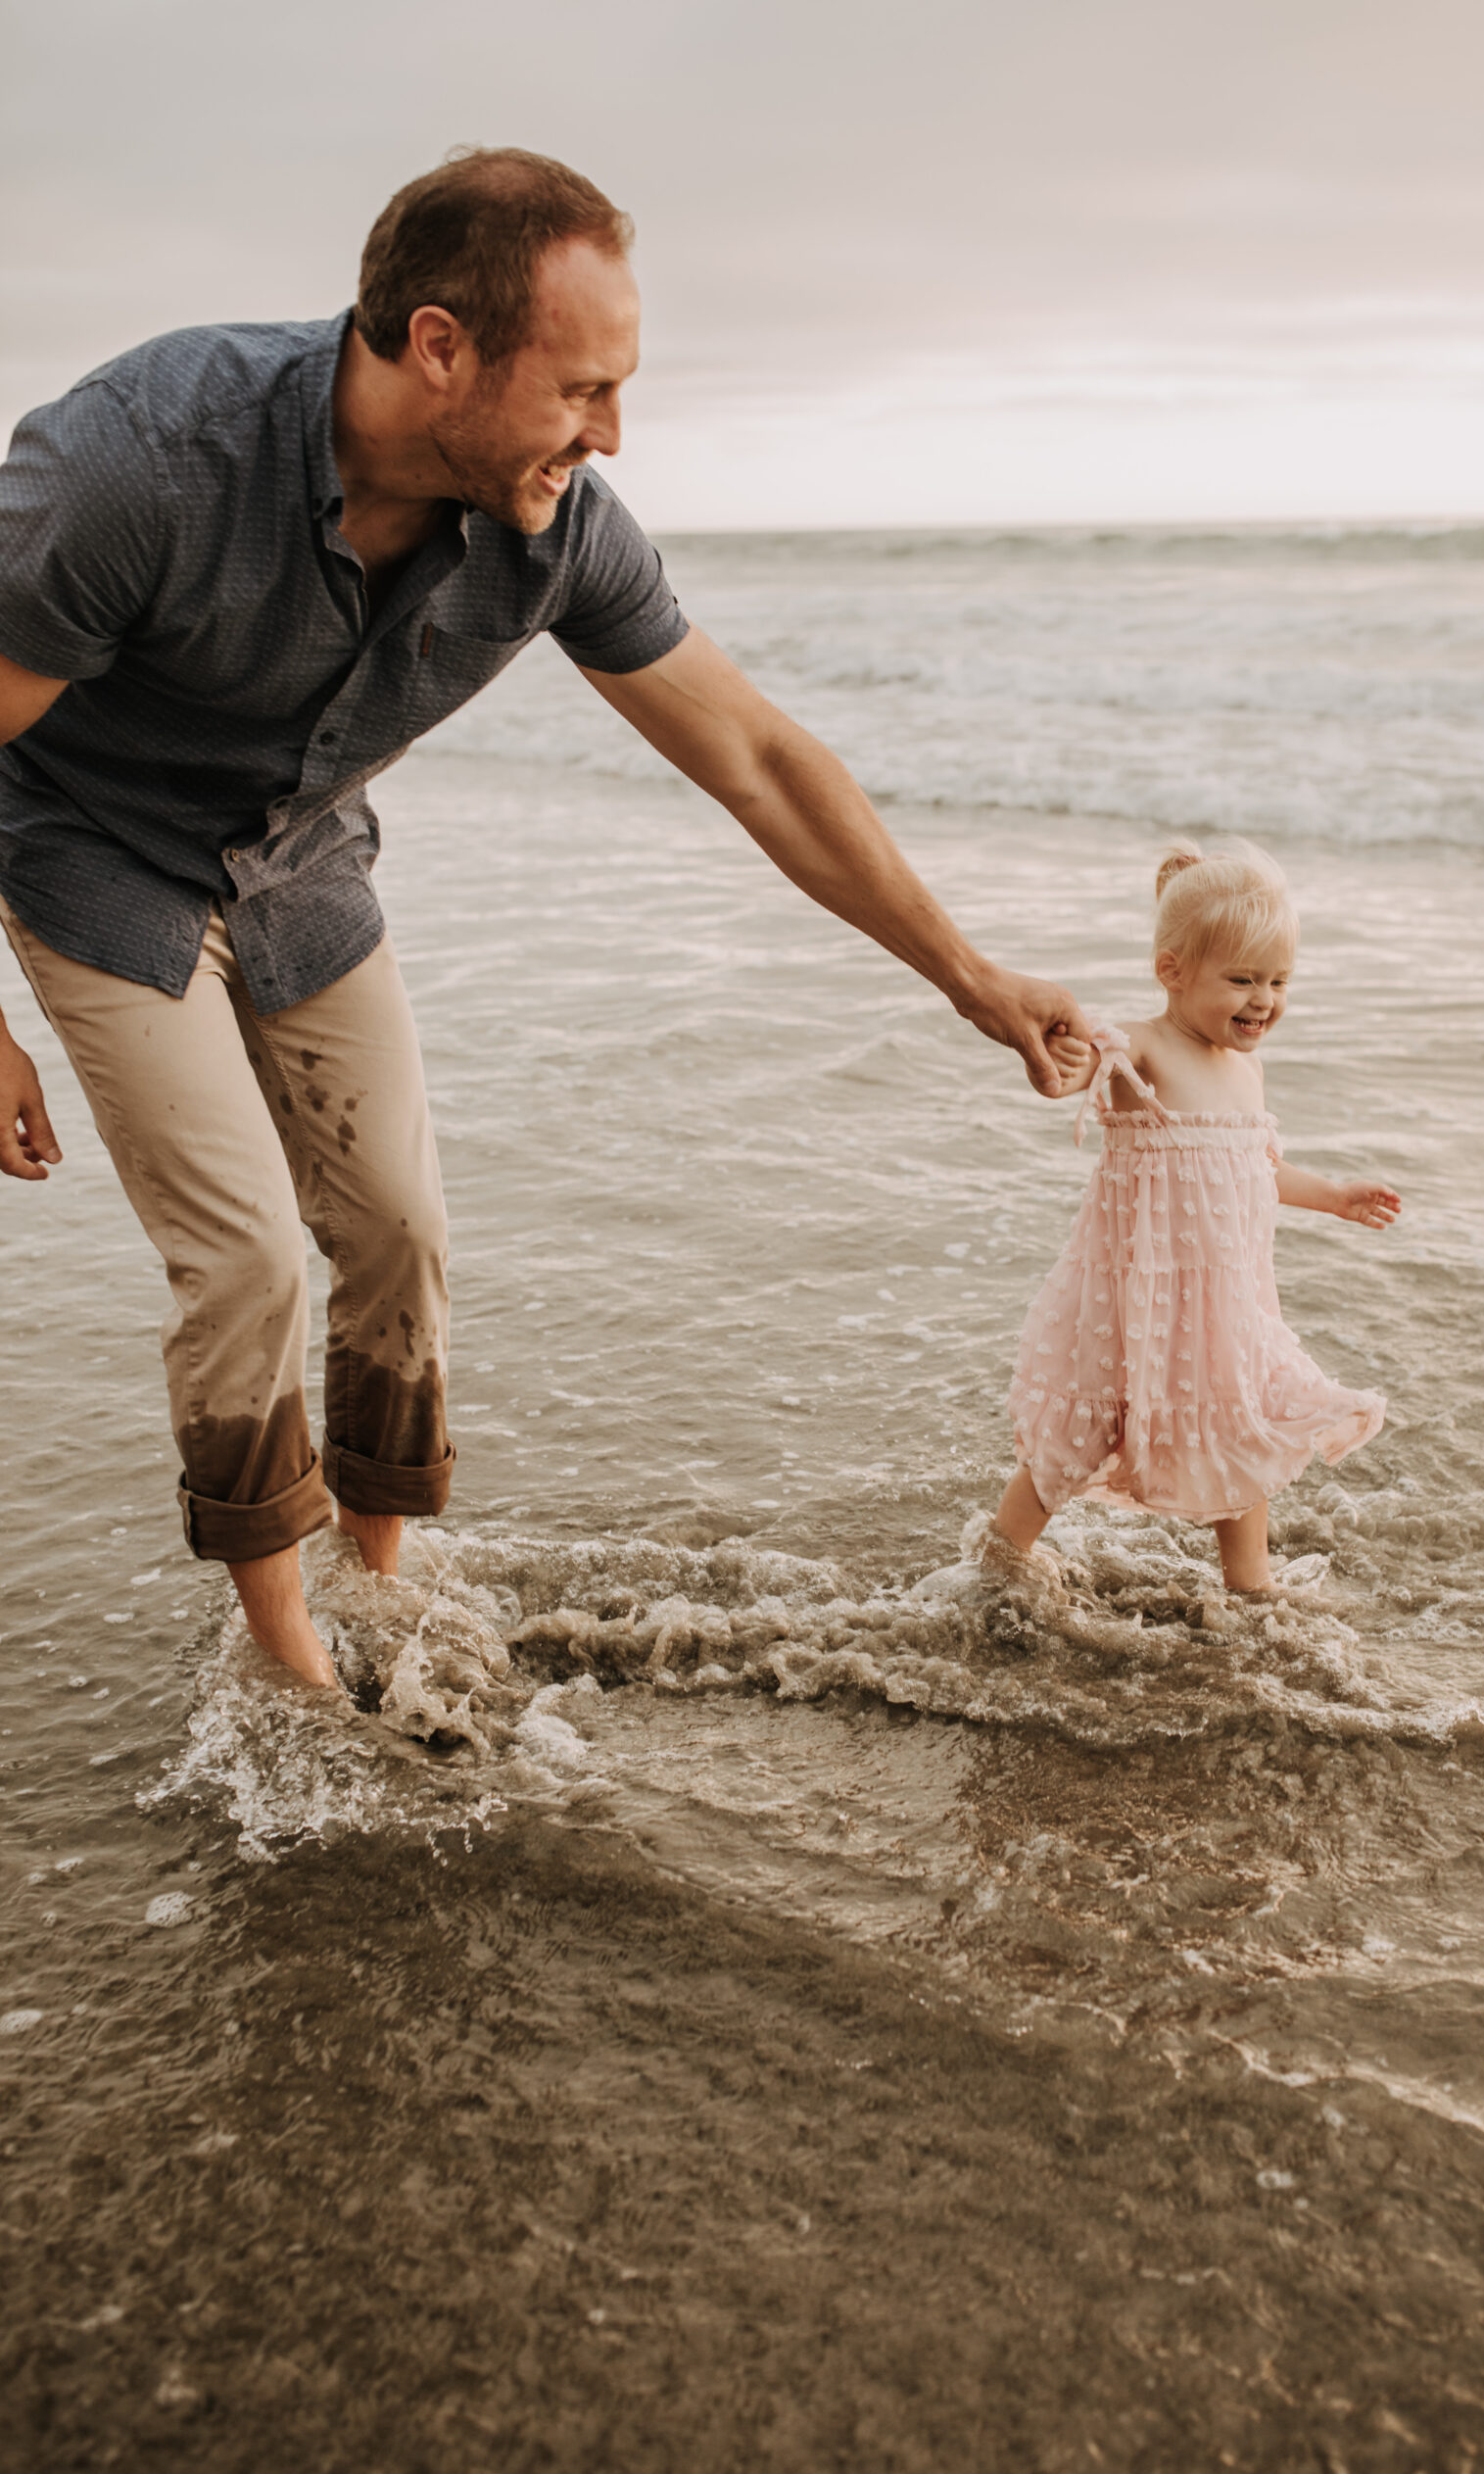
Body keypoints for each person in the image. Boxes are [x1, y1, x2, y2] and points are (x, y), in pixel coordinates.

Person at [0, 146, 1085, 1691]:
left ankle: (381, 1580)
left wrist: (971, 979)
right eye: (583, 389)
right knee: (247, 1262)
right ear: (440, 346)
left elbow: (761, 762)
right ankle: (291, 1660)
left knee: (398, 1231)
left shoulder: (557, 522)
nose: (612, 432)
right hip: (90, 858)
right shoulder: (140, 461)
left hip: (303, 867)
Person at [981, 839, 1398, 1596]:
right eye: (1240, 979)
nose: (1262, 999)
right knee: (1085, 1427)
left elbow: (1257, 1171)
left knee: (1240, 1420)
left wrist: (1334, 1195)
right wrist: (1074, 1060)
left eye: (1277, 980)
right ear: (1171, 971)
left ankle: (1250, 1583)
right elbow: (1086, 1064)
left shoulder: (1247, 1070)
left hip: (1221, 1300)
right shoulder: (1146, 1049)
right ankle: (1002, 1554)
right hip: (1133, 1291)